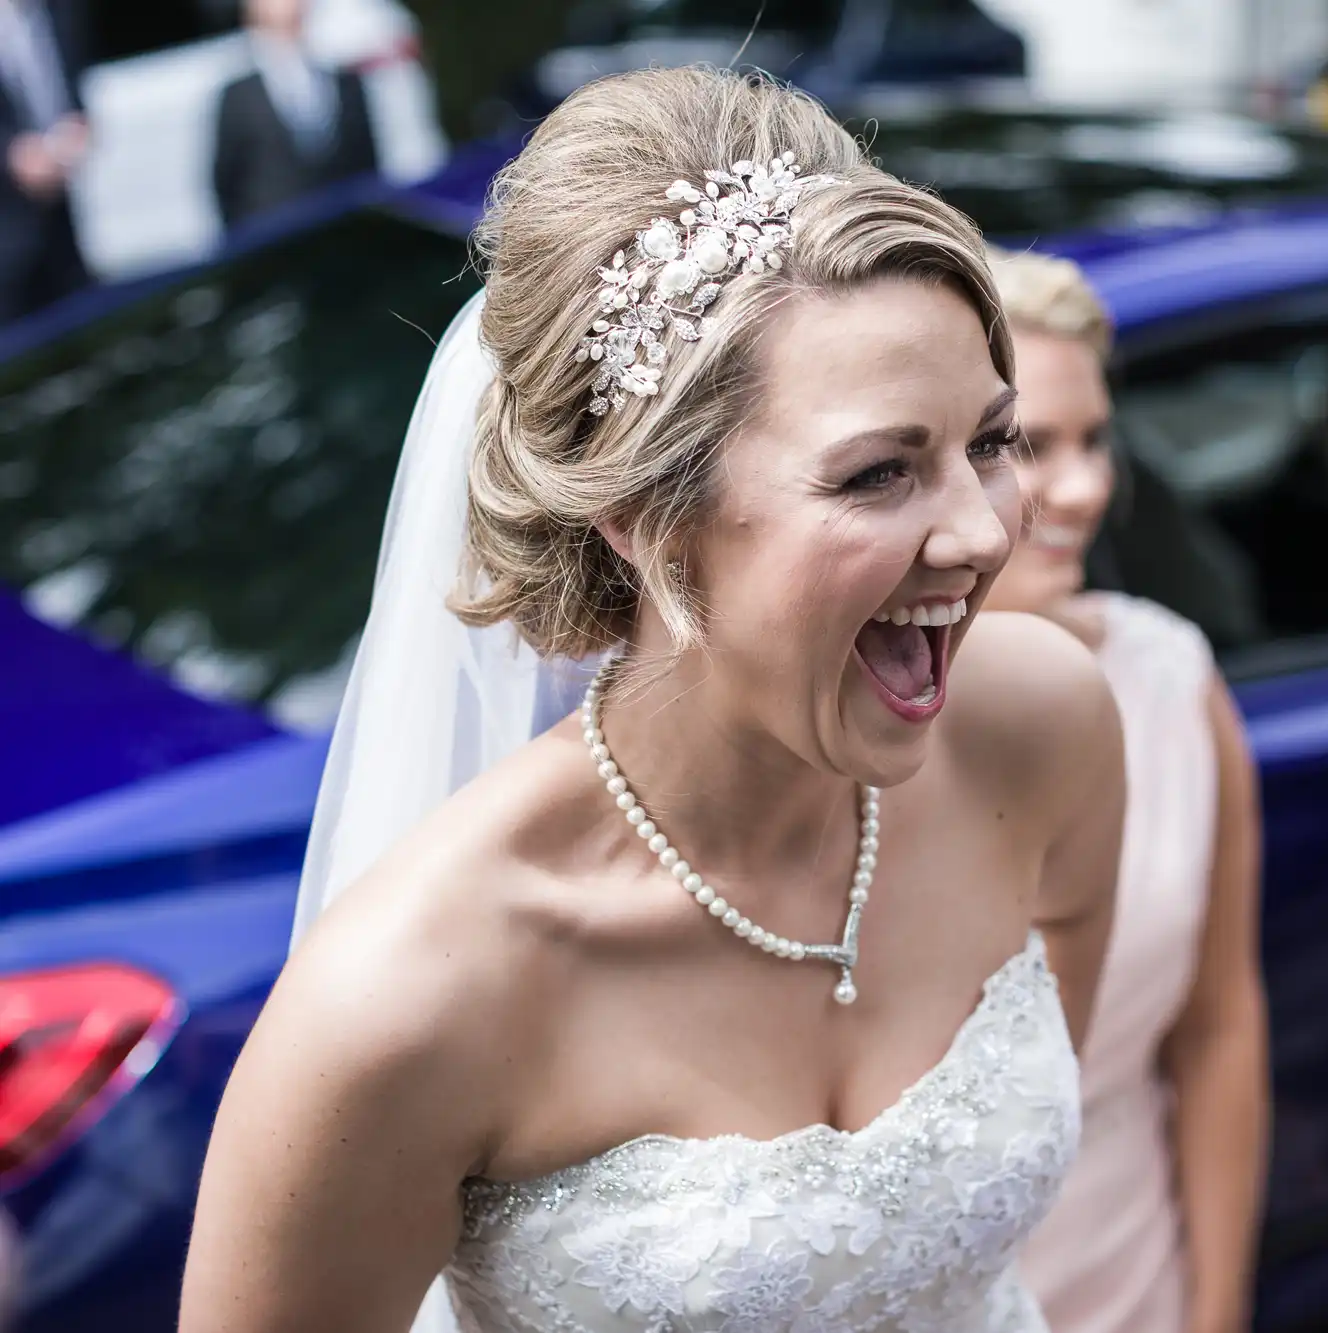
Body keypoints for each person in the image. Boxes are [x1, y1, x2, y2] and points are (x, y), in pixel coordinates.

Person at [180, 68, 1125, 1333]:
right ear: (646, 524)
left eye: (989, 442)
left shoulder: (1043, 730)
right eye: (878, 472)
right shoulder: (406, 999)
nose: (978, 530)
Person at [993, 250, 1270, 1333]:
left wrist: (1213, 1309)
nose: (1085, 486)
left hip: (1128, 1267)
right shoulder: (845, 731)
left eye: (1094, 439)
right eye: (1028, 447)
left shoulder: (1168, 677)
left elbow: (1215, 1025)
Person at [211, 0, 378, 231]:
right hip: (274, 240)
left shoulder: (343, 82)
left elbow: (368, 164)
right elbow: (226, 183)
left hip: (341, 231)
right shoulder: (239, 95)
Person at [0, 0, 89, 325]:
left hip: (61, 220)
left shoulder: (60, 9)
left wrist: (78, 123)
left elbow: (70, 81)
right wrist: (10, 155)